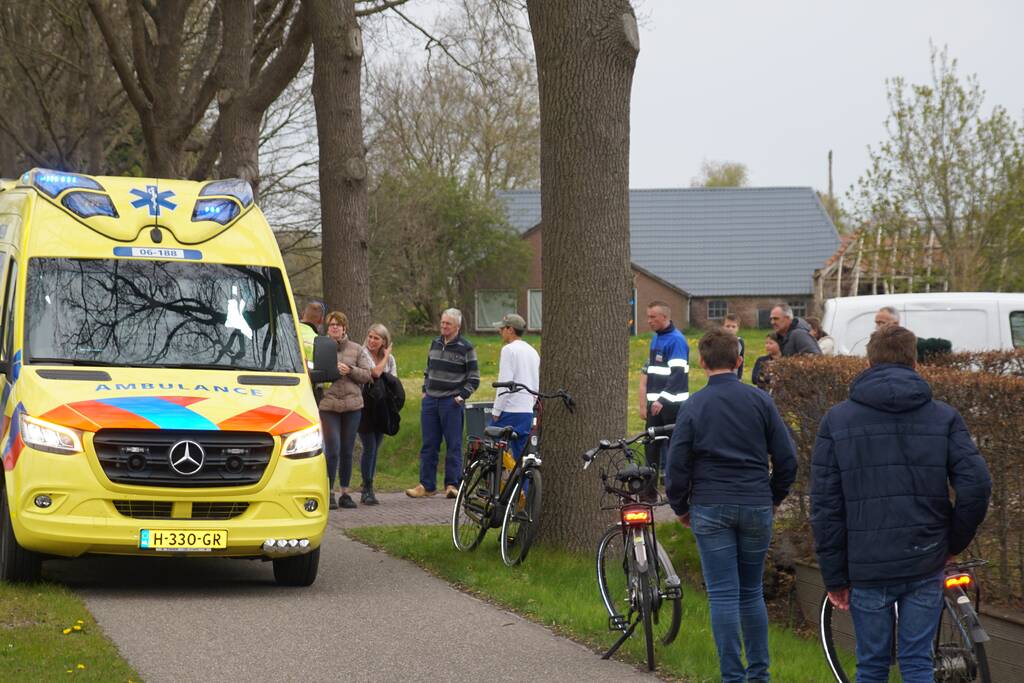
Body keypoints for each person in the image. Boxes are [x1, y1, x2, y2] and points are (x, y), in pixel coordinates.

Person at [810, 324, 991, 683]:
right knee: (918, 662)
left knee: (871, 665)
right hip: (924, 557)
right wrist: (952, 543)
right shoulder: (943, 416)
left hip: (867, 564)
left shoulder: (837, 420)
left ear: (869, 361)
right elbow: (977, 485)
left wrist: (834, 576)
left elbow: (825, 506)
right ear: (914, 361)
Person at [665, 330, 798, 683]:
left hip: (710, 504)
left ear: (701, 362)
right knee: (751, 592)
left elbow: (676, 464)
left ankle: (732, 677)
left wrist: (680, 505)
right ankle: (759, 674)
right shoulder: (760, 401)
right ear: (739, 361)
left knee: (723, 594)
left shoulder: (694, 405)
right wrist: (773, 497)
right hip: (755, 502)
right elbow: (787, 459)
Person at [406, 308, 480, 499]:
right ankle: (426, 485)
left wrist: (461, 396)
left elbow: (474, 379)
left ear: (457, 326)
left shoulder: (466, 347)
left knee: (453, 445)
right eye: (442, 323)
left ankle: (452, 485)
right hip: (431, 401)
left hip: (451, 402)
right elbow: (428, 369)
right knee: (429, 444)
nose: (444, 326)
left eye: (448, 323)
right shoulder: (435, 343)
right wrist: (425, 390)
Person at [319, 311, 373, 510]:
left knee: (347, 450)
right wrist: (328, 371)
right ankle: (329, 492)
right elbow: (311, 373)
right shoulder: (319, 347)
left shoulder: (357, 349)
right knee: (332, 449)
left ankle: (345, 493)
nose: (335, 327)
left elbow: (367, 375)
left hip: (352, 406)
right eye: (332, 324)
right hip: (329, 405)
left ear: (344, 328)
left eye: (338, 325)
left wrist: (350, 370)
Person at [637, 300, 689, 503]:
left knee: (675, 449)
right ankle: (648, 492)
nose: (649, 321)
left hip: (671, 405)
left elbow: (678, 375)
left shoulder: (676, 340)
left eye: (653, 317)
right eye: (648, 316)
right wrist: (648, 403)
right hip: (655, 406)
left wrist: (662, 399)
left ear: (665, 317)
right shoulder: (656, 338)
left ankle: (677, 491)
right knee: (651, 446)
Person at [357, 323, 398, 506]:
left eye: (376, 338)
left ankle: (368, 483)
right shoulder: (362, 353)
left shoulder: (391, 360)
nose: (372, 341)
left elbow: (393, 381)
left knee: (376, 447)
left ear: (383, 341)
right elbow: (374, 373)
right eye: (370, 337)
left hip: (382, 407)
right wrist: (386, 355)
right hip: (364, 406)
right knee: (369, 447)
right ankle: (367, 488)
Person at [491, 313, 540, 462]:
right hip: (526, 410)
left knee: (491, 441)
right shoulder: (533, 352)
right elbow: (535, 383)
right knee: (521, 455)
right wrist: (531, 403)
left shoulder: (509, 350)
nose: (500, 331)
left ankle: (498, 472)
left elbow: (505, 383)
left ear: (510, 330)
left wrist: (497, 410)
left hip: (510, 409)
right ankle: (519, 477)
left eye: (502, 328)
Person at [722, 313, 745, 379]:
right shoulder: (718, 341)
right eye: (727, 326)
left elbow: (741, 360)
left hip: (734, 376)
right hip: (721, 375)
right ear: (723, 327)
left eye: (733, 326)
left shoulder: (740, 342)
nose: (730, 329)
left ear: (738, 328)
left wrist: (739, 377)